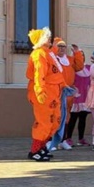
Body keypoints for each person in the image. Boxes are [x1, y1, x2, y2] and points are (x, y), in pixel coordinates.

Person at [25, 27, 62, 161]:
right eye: (47, 36)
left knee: (54, 121)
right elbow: (38, 74)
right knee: (43, 122)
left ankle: (42, 148)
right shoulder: (39, 54)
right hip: (44, 92)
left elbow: (57, 72)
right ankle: (35, 150)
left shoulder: (48, 53)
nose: (49, 38)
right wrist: (39, 90)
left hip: (54, 93)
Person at [48, 37, 82, 151]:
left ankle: (62, 140)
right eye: (59, 46)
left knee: (65, 117)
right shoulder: (52, 59)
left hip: (67, 92)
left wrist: (77, 53)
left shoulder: (70, 59)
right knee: (53, 116)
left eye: (63, 46)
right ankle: (50, 141)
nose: (62, 48)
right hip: (55, 91)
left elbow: (79, 66)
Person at [64, 44, 91, 147]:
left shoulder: (88, 68)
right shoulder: (72, 68)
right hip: (74, 98)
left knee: (83, 119)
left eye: (83, 55)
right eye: (80, 55)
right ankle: (68, 138)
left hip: (85, 98)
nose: (82, 57)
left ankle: (81, 138)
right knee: (72, 118)